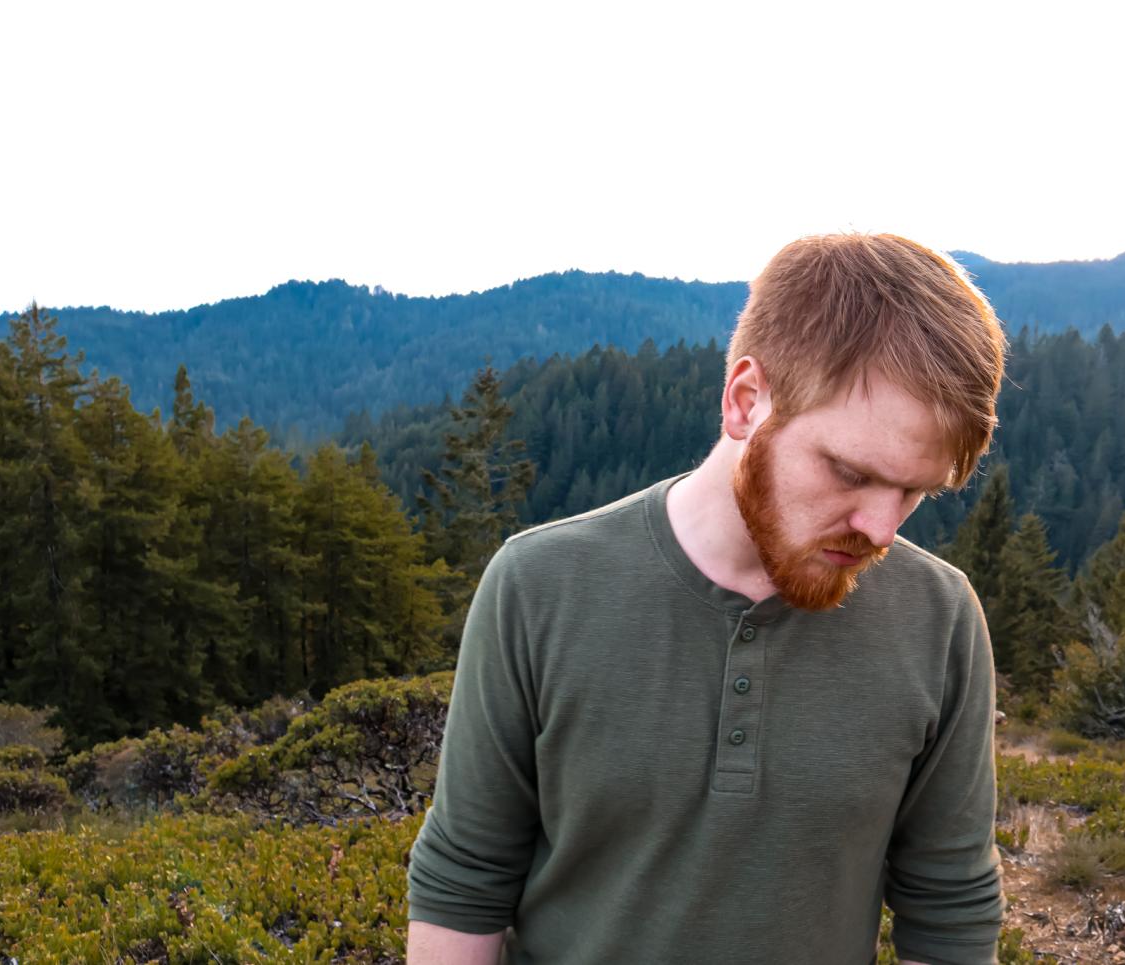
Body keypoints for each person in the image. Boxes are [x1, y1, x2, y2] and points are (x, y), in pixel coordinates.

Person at [406, 233, 1007, 965]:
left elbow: (948, 906)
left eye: (913, 490)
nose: (881, 528)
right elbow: (465, 877)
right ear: (746, 401)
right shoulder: (538, 585)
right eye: (850, 472)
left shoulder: (939, 619)